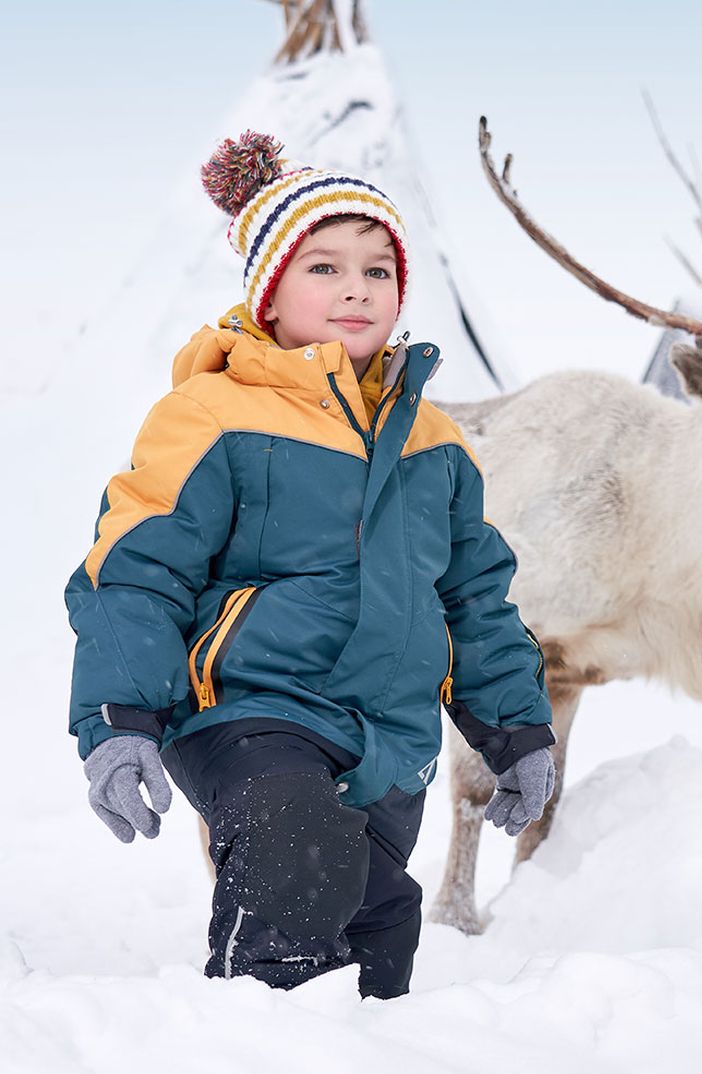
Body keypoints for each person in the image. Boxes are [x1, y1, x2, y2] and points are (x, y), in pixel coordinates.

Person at [65, 130, 556, 1000]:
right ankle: (254, 1059)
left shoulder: (436, 444)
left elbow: (474, 599)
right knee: (293, 853)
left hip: (386, 740)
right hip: (245, 710)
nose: (355, 288)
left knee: (379, 937)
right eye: (323, 267)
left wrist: (514, 731)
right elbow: (136, 571)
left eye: (377, 270)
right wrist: (121, 721)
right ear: (268, 290)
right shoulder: (212, 414)